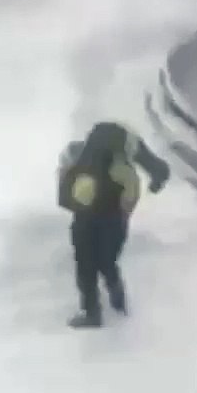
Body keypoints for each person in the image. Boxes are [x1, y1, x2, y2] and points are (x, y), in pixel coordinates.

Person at [57, 121, 170, 329]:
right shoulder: (124, 161)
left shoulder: (79, 155)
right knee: (108, 264)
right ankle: (119, 304)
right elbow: (151, 173)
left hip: (88, 216)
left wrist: (74, 203)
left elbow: (65, 192)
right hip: (113, 218)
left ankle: (92, 313)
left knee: (86, 265)